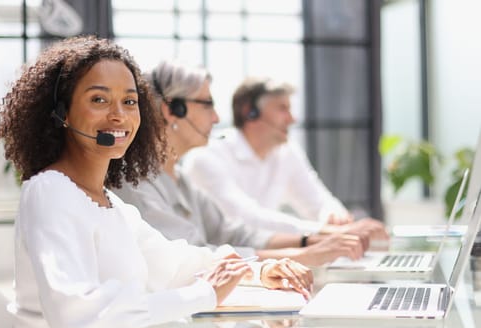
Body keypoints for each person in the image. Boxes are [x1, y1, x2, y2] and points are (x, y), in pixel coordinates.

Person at [0, 36, 311, 328]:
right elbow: (80, 322)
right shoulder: (51, 192)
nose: (119, 115)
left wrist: (254, 270)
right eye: (99, 100)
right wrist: (203, 293)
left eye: (129, 101)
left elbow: (173, 264)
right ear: (62, 113)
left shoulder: (108, 203)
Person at [114, 60, 368, 267]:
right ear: (173, 110)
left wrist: (308, 241)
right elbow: (196, 257)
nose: (216, 118)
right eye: (207, 105)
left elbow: (233, 233)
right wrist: (299, 256)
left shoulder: (180, 180)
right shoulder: (136, 184)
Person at [182, 76, 388, 242]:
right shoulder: (205, 157)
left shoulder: (286, 152)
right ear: (250, 112)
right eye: (282, 108)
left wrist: (335, 217)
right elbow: (246, 218)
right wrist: (325, 232)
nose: (292, 119)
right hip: (220, 268)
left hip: (267, 259)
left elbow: (316, 199)